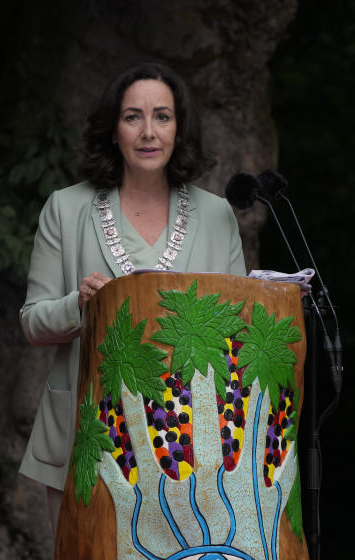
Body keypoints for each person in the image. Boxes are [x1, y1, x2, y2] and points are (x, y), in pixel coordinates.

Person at [17, 61, 246, 533]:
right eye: (132, 117)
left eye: (162, 116)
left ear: (179, 129)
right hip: (87, 439)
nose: (148, 132)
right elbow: (33, 322)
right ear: (113, 130)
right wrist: (76, 305)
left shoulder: (218, 214)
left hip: (191, 451)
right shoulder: (65, 208)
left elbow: (238, 332)